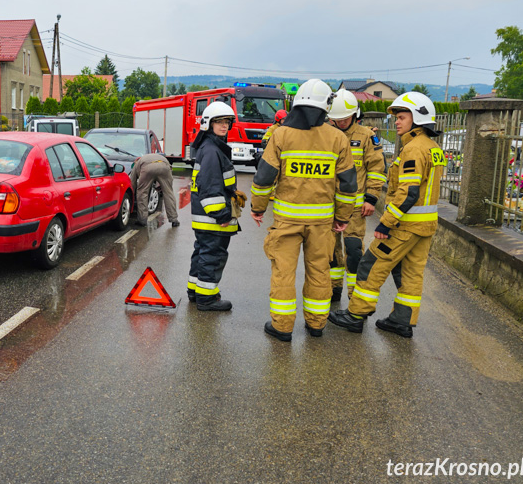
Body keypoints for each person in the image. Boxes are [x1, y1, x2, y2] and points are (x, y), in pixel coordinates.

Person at [329, 92, 445, 338]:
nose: (397, 122)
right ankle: (401, 321)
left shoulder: (413, 149)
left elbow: (408, 193)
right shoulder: (433, 148)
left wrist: (386, 223)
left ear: (418, 118)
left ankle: (355, 315)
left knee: (371, 265)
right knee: (411, 275)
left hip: (404, 226)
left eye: (402, 117)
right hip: (425, 226)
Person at [250, 79, 357, 341]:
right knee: (320, 271)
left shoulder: (281, 135)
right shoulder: (338, 138)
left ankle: (283, 327)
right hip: (322, 223)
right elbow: (349, 184)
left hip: (287, 220)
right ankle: (317, 325)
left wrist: (257, 208)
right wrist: (343, 217)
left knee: (283, 272)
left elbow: (264, 178)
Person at [327, 90, 388, 301]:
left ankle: (354, 296)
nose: (341, 123)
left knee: (353, 250)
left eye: (345, 118)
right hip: (328, 206)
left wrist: (372, 199)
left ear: (355, 114)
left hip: (355, 207)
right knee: (330, 252)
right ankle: (334, 289)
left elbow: (376, 169)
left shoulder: (367, 136)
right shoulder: (325, 135)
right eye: (337, 119)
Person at [186, 101, 241, 311]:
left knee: (201, 253)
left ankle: (195, 291)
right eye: (219, 122)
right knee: (212, 256)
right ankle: (206, 298)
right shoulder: (212, 150)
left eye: (227, 122)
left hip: (204, 218)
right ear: (208, 124)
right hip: (212, 219)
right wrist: (223, 214)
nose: (224, 126)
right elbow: (209, 186)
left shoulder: (209, 147)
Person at [130, 152, 179, 227]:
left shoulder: (137, 164)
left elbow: (132, 183)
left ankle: (142, 220)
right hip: (165, 165)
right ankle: (174, 219)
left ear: (135, 161)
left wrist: (131, 196)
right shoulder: (152, 156)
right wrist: (161, 186)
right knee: (168, 193)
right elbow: (169, 171)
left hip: (148, 168)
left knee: (142, 193)